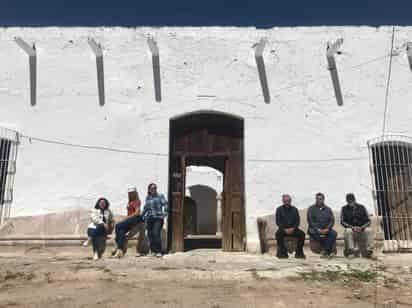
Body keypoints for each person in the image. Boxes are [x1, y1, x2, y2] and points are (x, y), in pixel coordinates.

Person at [112, 187, 143, 258]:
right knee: (121, 231)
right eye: (130, 193)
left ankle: (117, 245)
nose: (131, 194)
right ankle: (120, 251)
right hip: (130, 220)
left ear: (135, 193)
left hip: (135, 219)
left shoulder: (136, 201)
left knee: (118, 226)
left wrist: (127, 218)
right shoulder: (130, 201)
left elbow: (137, 212)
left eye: (132, 193)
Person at [341, 193, 374, 258]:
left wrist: (362, 227)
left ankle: (369, 251)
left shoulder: (362, 207)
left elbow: (368, 221)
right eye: (349, 200)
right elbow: (342, 221)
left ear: (354, 200)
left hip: (361, 229)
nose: (350, 202)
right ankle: (351, 251)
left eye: (352, 200)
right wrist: (352, 227)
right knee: (348, 231)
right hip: (351, 229)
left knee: (369, 230)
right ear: (347, 201)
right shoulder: (344, 209)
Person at [275, 194, 306, 259]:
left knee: (302, 234)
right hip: (283, 229)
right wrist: (284, 229)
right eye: (285, 201)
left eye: (288, 201)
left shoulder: (294, 209)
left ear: (290, 201)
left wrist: (293, 228)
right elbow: (278, 222)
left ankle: (299, 252)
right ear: (283, 201)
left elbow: (297, 221)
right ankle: (283, 253)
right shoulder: (279, 209)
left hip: (293, 229)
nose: (287, 202)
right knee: (278, 234)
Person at [307, 193, 337, 258]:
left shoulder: (328, 209)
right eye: (317, 199)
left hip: (326, 229)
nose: (319, 200)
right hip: (315, 229)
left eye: (320, 199)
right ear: (316, 199)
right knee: (313, 233)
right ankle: (329, 250)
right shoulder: (311, 209)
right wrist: (318, 229)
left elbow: (332, 220)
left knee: (333, 233)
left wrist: (328, 228)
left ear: (323, 199)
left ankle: (325, 251)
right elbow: (310, 221)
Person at [141, 183, 168, 257]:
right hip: (149, 218)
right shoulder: (148, 197)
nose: (154, 189)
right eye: (152, 188)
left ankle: (159, 251)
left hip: (158, 218)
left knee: (156, 233)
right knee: (150, 235)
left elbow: (165, 204)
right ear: (149, 189)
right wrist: (142, 216)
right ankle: (153, 251)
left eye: (155, 188)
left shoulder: (160, 196)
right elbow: (145, 208)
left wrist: (164, 214)